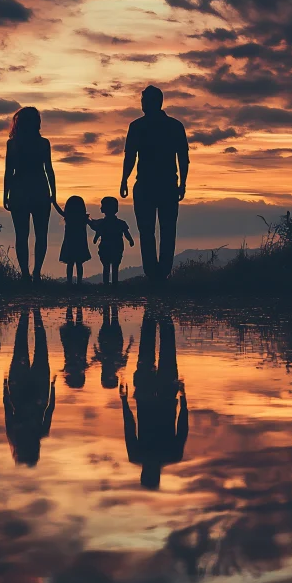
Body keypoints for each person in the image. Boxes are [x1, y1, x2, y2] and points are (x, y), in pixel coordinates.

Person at [120, 85, 190, 283]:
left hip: (151, 185)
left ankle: (155, 274)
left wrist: (124, 179)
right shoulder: (174, 126)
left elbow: (130, 157)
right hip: (162, 184)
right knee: (163, 230)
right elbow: (183, 158)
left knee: (150, 230)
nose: (142, 104)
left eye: (144, 100)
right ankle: (159, 273)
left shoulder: (138, 126)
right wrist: (124, 179)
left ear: (153, 102)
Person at [120, 307, 188, 490]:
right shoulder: (138, 455)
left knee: (165, 349)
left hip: (161, 395)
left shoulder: (171, 455)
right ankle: (155, 310)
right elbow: (129, 426)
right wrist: (124, 401)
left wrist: (184, 399)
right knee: (150, 349)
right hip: (148, 395)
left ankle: (158, 311)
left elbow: (183, 427)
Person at [3, 107, 56, 284]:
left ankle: (26, 274)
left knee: (21, 235)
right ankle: (36, 273)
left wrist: (6, 194)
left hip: (19, 191)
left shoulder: (12, 144)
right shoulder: (43, 143)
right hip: (40, 190)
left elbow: (9, 172)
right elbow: (49, 170)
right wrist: (53, 193)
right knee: (41, 234)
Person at [4, 308, 56, 467]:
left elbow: (50, 408)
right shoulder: (15, 433)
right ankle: (26, 313)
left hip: (34, 389)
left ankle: (33, 313)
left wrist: (53, 388)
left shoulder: (40, 433)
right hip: (21, 389)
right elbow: (6, 407)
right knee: (22, 345)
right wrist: (5, 386)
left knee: (39, 347)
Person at [90, 196, 134, 286]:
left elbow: (99, 231)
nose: (100, 208)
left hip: (106, 247)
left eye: (102, 206)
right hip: (117, 246)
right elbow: (126, 232)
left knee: (106, 266)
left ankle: (107, 283)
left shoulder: (103, 223)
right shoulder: (120, 223)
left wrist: (95, 239)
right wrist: (130, 240)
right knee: (114, 266)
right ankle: (114, 283)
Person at [92, 304, 133, 389]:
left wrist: (130, 344)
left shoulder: (117, 365)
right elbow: (125, 354)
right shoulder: (115, 365)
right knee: (108, 320)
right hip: (110, 341)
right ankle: (108, 304)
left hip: (114, 342)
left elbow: (126, 354)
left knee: (113, 320)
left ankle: (110, 304)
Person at [54, 196, 91, 286]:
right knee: (79, 263)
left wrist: (54, 202)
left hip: (69, 243)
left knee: (70, 263)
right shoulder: (83, 218)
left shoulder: (68, 217)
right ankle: (79, 282)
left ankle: (69, 281)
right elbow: (93, 225)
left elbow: (60, 211)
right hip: (80, 243)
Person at [59, 305, 91, 388]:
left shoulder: (80, 368)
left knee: (74, 324)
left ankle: (75, 307)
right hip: (74, 346)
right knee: (73, 324)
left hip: (75, 346)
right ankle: (73, 307)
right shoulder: (76, 369)